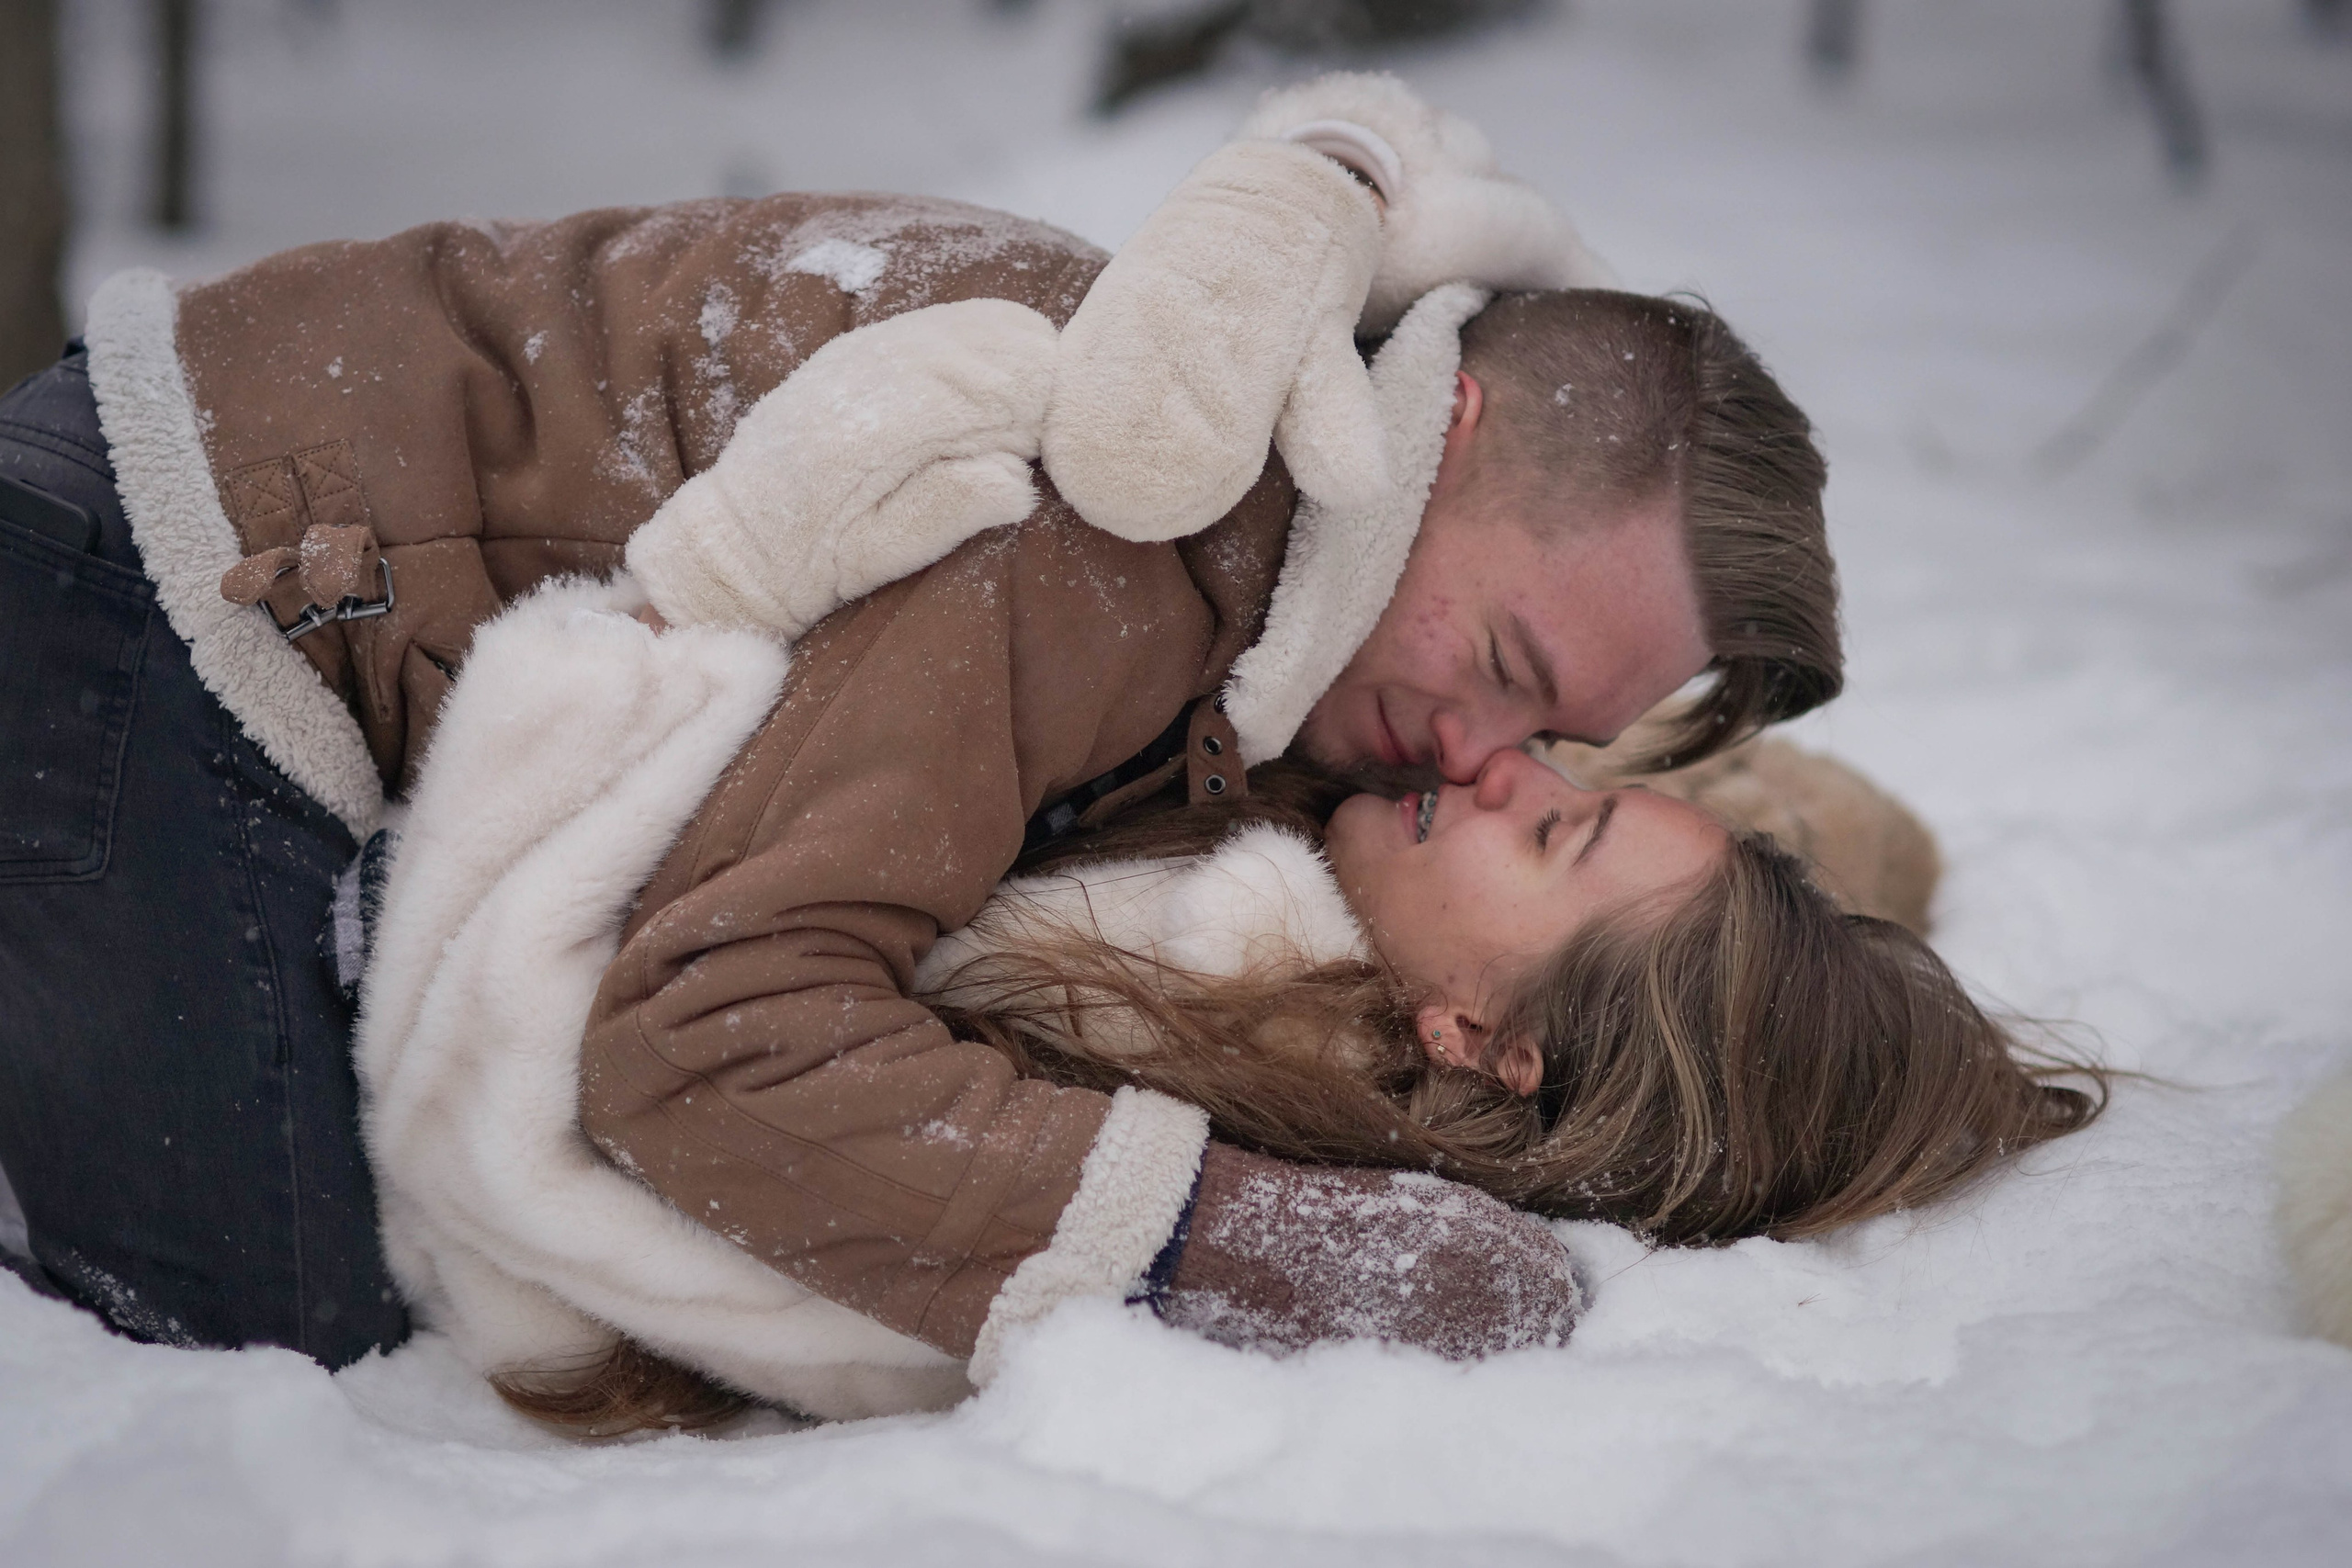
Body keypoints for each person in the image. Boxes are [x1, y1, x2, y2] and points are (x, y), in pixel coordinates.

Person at [0, 75, 1841, 1371]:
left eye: (1559, 752)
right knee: (271, 1342)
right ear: (1440, 428)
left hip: (183, 560)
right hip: (158, 599)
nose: (1470, 757)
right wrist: (1239, 1239)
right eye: (1506, 671)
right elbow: (704, 1042)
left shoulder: (1284, 526)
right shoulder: (1115, 513)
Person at [351, 576, 2098, 1432]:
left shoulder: (1183, 985)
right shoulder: (1382, 898)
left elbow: (691, 1048)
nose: (1503, 767)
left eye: (1554, 824)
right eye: (1562, 765)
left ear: (1482, 1041)